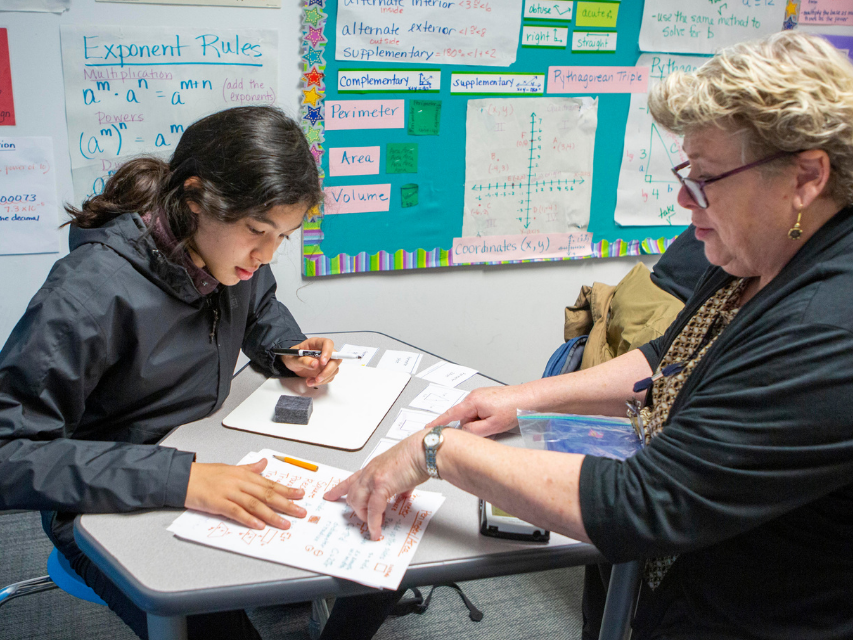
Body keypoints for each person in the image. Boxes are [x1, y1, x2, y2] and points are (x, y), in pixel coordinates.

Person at [325, 31, 853, 640]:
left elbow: (645, 501)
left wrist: (437, 450)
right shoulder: (761, 252)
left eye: (706, 179)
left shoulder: (826, 329)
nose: (684, 200)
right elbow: (671, 359)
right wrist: (524, 398)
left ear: (806, 177)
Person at [0, 106, 343, 639]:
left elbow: (259, 308)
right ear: (194, 197)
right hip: (102, 499)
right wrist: (179, 479)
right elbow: (9, 454)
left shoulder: (230, 256)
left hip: (200, 451)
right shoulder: (86, 295)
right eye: (258, 230)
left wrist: (286, 349)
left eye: (283, 236)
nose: (266, 254)